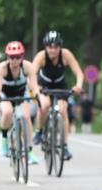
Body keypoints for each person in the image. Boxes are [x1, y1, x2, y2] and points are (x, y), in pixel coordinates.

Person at [31, 30, 84, 161]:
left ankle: (64, 146)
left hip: (61, 87)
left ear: (60, 47)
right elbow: (31, 75)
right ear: (45, 47)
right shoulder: (41, 57)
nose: (52, 50)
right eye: (50, 47)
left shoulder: (66, 55)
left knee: (63, 110)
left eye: (55, 47)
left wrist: (78, 85)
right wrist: (36, 88)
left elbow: (79, 73)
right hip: (44, 86)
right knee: (45, 105)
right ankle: (40, 130)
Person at [0, 40, 40, 164]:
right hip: (5, 95)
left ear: (22, 57)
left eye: (17, 57)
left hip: (21, 94)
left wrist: (38, 98)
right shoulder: (2, 68)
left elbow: (34, 87)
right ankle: (4, 139)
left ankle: (29, 152)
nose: (14, 60)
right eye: (12, 57)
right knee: (7, 112)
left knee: (26, 116)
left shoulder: (28, 66)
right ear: (8, 57)